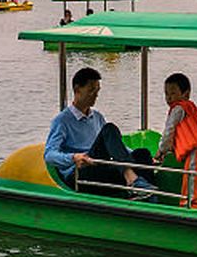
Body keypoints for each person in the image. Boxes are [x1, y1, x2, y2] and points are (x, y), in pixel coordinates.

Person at [43, 67, 155, 196]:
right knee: (109, 129)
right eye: (91, 90)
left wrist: (132, 154)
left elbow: (113, 145)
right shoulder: (62, 120)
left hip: (99, 165)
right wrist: (73, 157)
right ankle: (132, 180)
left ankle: (147, 194)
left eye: (97, 90)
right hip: (80, 171)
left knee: (143, 154)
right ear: (77, 89)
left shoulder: (97, 117)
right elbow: (49, 154)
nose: (95, 94)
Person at [155, 73, 197, 208]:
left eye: (173, 93)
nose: (169, 98)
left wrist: (161, 151)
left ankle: (187, 218)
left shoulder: (178, 109)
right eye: (166, 94)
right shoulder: (193, 110)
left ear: (186, 94)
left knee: (190, 197)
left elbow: (169, 132)